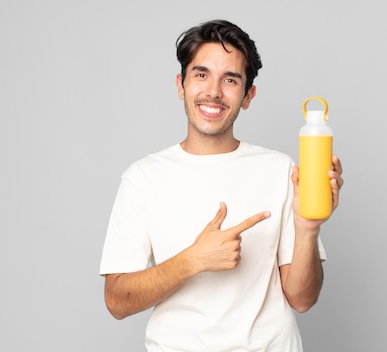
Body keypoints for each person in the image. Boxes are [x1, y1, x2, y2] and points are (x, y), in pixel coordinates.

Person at [100, 19, 344, 351]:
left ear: (248, 96)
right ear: (180, 84)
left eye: (230, 79)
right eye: (201, 75)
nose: (213, 91)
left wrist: (308, 229)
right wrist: (194, 259)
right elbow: (117, 300)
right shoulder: (143, 178)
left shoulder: (280, 170)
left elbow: (302, 299)